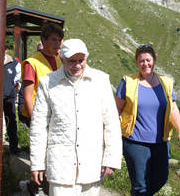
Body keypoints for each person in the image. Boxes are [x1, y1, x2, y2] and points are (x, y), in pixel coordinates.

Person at [29, 38, 122, 196]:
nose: (77, 65)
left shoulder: (100, 80)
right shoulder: (47, 83)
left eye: (81, 60)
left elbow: (111, 122)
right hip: (60, 167)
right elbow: (38, 126)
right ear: (62, 59)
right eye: (72, 61)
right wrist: (37, 163)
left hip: (91, 164)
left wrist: (111, 159)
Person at [115, 44, 180, 196]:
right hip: (135, 141)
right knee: (140, 184)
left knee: (161, 178)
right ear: (136, 63)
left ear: (154, 60)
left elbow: (173, 108)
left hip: (160, 141)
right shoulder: (128, 82)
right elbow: (117, 109)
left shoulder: (165, 82)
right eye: (141, 61)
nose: (145, 64)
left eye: (148, 60)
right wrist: (111, 134)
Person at [19, 22, 64, 196]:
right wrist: (35, 121)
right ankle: (42, 188)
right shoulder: (32, 63)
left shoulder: (60, 60)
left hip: (57, 116)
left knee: (52, 156)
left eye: (59, 40)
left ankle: (34, 186)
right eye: (54, 39)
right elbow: (28, 95)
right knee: (44, 156)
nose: (58, 43)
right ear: (43, 39)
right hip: (40, 117)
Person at [3, 46, 21, 155]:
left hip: (8, 96)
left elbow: (18, 77)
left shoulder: (14, 62)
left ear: (5, 49)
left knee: (11, 121)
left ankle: (14, 147)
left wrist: (12, 87)